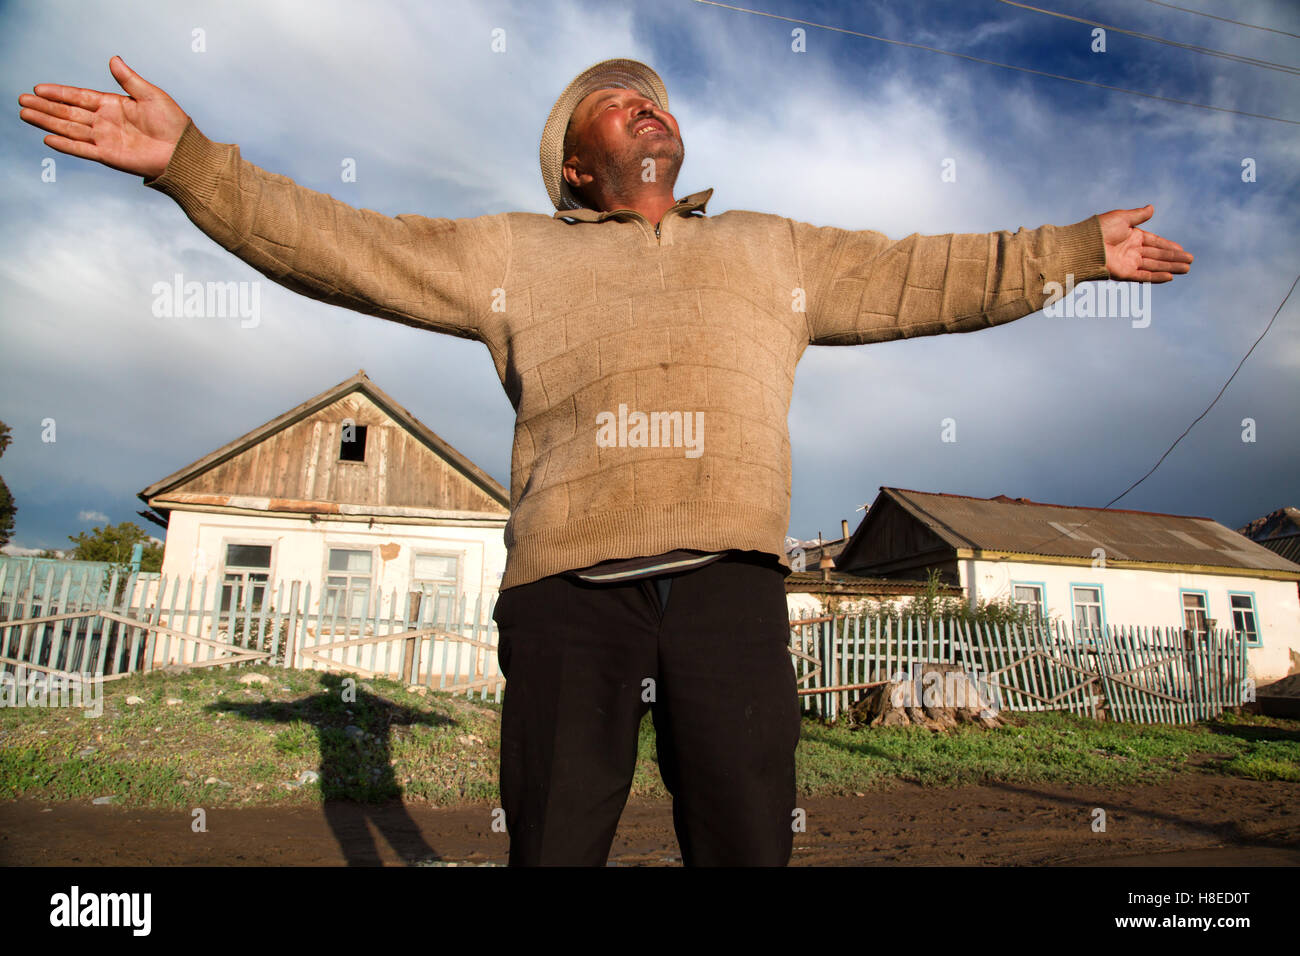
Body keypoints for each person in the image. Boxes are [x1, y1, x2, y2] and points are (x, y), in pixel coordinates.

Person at [17, 56, 1193, 867]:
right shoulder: (515, 254)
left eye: (653, 98)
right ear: (575, 167)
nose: (642, 106)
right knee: (554, 846)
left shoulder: (770, 250)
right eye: (612, 102)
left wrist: (1073, 251)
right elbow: (342, 243)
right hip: (565, 603)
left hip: (731, 590)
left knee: (746, 843)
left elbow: (928, 275)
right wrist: (195, 168)